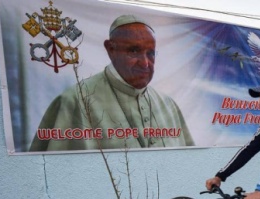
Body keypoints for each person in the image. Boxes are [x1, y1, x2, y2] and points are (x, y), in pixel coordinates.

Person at [30, 15, 194, 151]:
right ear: (110, 49)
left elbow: (187, 161)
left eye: (150, 53)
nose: (145, 63)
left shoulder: (168, 104)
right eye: (134, 51)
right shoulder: (74, 100)